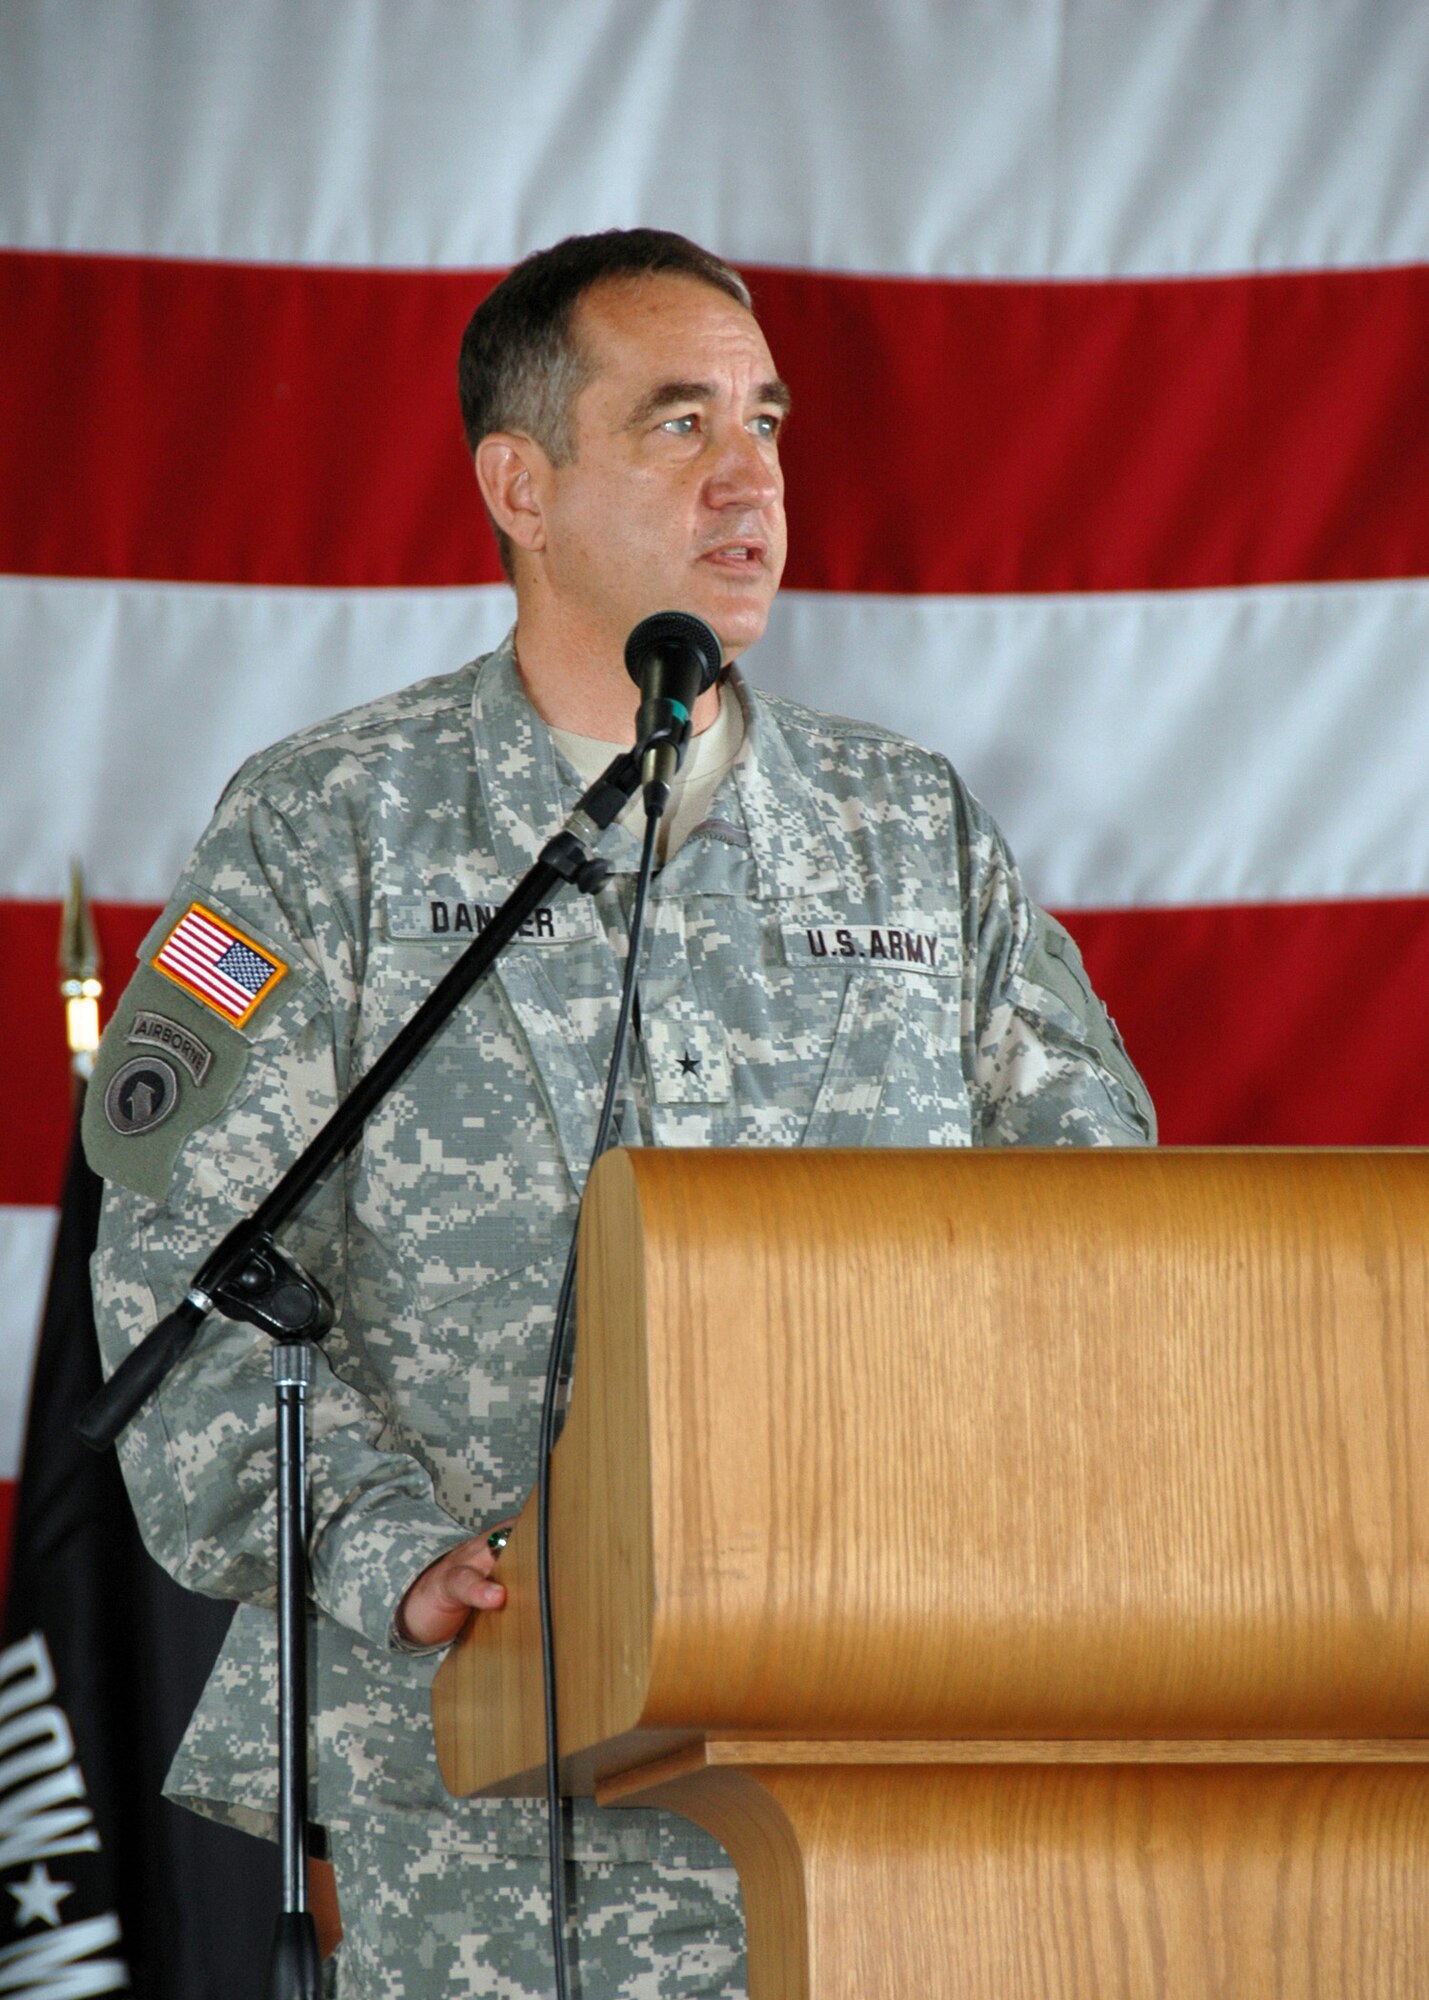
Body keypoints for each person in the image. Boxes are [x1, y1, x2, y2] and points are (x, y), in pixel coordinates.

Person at [84, 228, 1156, 1997]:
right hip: (487, 1773)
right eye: (678, 422)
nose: (752, 477)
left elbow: (1100, 1229)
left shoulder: (912, 828)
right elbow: (187, 1268)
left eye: (766, 420)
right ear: (520, 483)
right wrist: (394, 1550)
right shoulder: (319, 825)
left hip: (876, 1751)